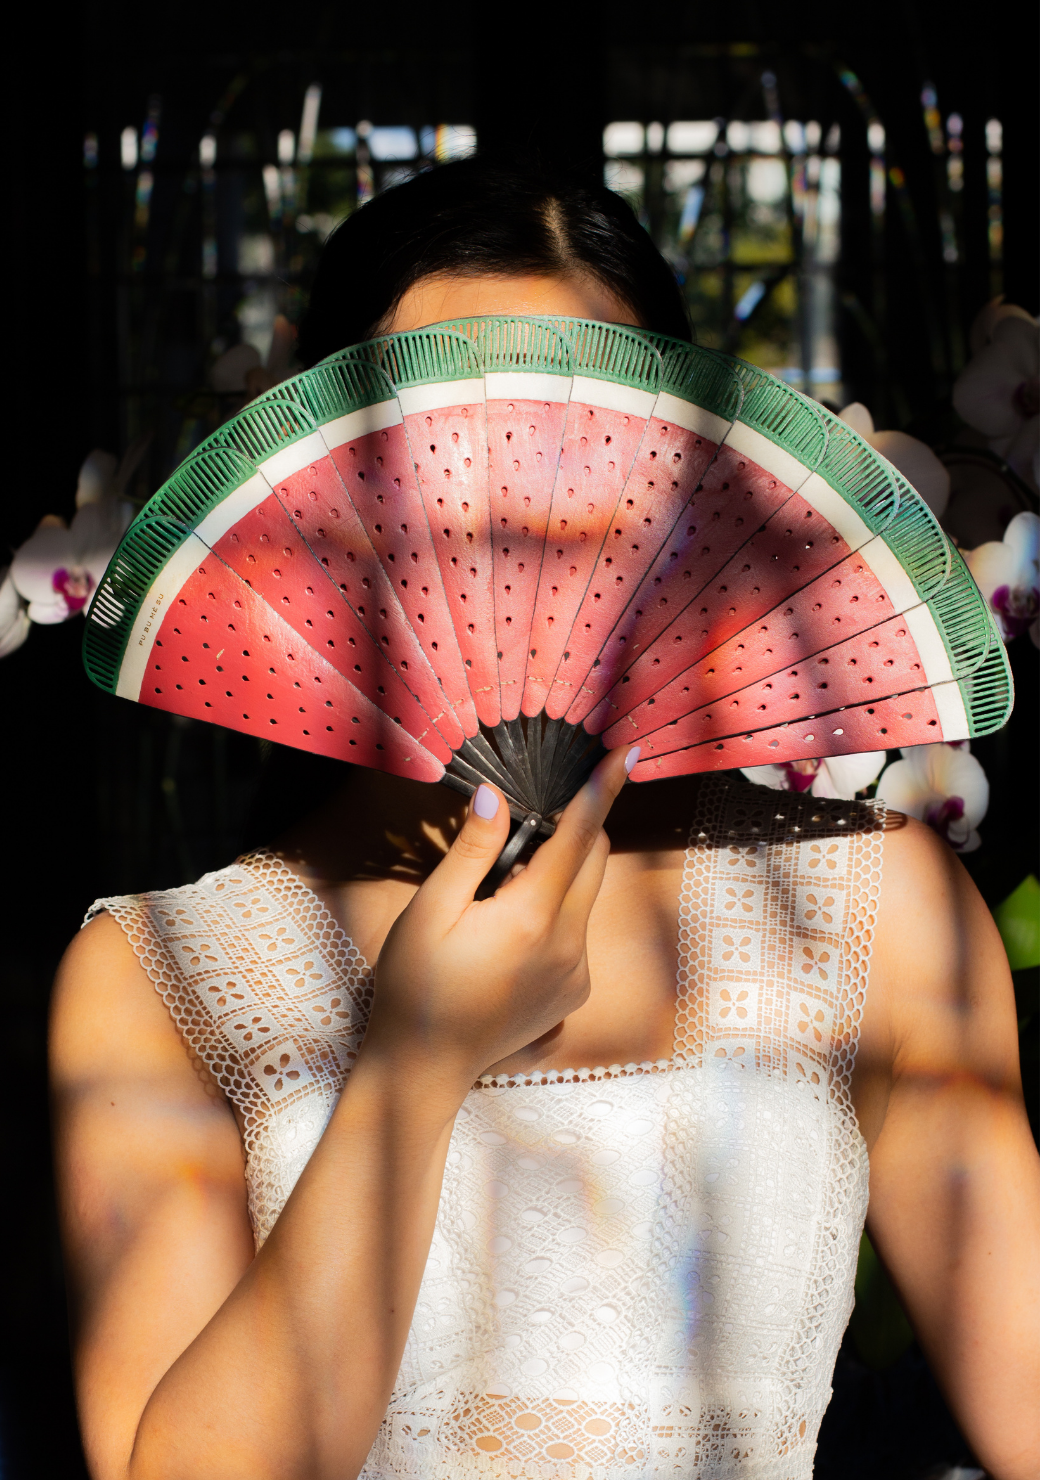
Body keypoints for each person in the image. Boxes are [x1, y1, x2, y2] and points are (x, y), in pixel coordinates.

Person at [51, 155, 1039, 1480]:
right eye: (443, 444)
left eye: (591, 440)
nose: (519, 506)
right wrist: (410, 1065)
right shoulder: (159, 980)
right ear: (319, 493)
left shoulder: (876, 911)